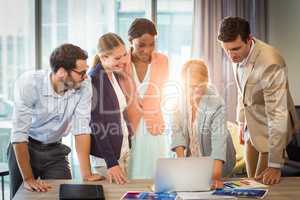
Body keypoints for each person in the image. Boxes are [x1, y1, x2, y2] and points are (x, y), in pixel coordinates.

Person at [8, 44, 102, 198]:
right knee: (21, 195)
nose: (86, 76)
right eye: (81, 72)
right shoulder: (29, 84)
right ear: (61, 72)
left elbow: (81, 129)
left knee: (65, 194)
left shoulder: (84, 85)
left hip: (55, 150)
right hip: (26, 147)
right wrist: (29, 179)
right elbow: (19, 135)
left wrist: (87, 174)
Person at [218, 16, 298, 185]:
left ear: (249, 39)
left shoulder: (271, 63)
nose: (231, 55)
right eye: (227, 50)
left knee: (263, 185)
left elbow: (278, 114)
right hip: (250, 126)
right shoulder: (236, 53)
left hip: (272, 128)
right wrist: (241, 122)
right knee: (249, 183)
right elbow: (242, 91)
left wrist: (275, 165)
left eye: (236, 49)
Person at [171, 59, 236, 189]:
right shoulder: (178, 99)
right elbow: (177, 132)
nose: (197, 90)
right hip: (194, 159)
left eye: (201, 84)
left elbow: (219, 142)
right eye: (191, 86)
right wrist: (181, 164)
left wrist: (216, 176)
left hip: (218, 162)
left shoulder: (217, 104)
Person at [126, 18, 169, 179]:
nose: (147, 50)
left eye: (152, 44)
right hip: (129, 127)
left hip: (154, 128)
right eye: (141, 45)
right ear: (130, 41)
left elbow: (162, 95)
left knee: (156, 177)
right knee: (131, 175)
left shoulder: (162, 61)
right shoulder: (122, 62)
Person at [89, 33, 134, 184]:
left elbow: (120, 113)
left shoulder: (113, 74)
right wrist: (111, 162)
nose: (123, 61)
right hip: (107, 159)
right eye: (117, 58)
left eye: (124, 55)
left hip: (122, 151)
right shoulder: (95, 79)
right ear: (103, 58)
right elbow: (96, 124)